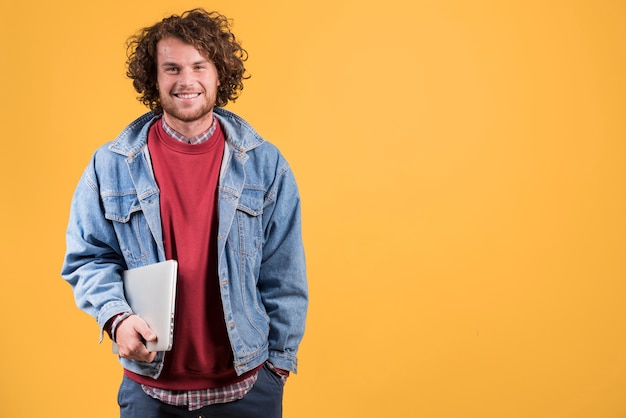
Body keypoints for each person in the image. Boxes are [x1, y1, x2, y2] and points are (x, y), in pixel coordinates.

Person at [61, 8, 308, 418]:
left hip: (248, 387)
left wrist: (278, 366)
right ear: (154, 78)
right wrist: (117, 319)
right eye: (171, 68)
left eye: (199, 66)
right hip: (150, 389)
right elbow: (87, 257)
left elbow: (284, 271)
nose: (186, 80)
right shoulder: (112, 165)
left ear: (219, 74)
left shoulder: (265, 164)